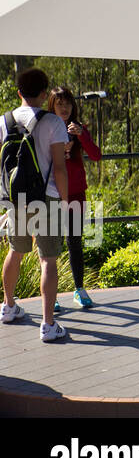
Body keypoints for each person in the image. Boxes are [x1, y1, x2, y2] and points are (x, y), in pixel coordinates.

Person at [0, 68, 71, 342]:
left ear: (19, 92)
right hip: (47, 197)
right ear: (44, 93)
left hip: (14, 199)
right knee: (48, 259)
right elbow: (61, 169)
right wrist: (64, 202)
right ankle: (49, 324)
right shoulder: (53, 122)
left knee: (15, 252)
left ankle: (8, 307)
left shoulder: (4, 121)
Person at [49, 86, 101, 310]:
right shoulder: (45, 129)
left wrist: (82, 136)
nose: (64, 108)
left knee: (75, 241)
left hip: (76, 193)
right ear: (51, 105)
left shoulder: (79, 129)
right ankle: (53, 295)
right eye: (59, 103)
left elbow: (97, 156)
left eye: (68, 103)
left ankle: (79, 289)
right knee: (52, 245)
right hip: (51, 193)